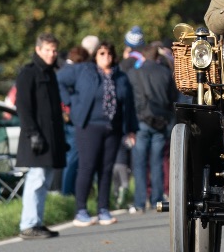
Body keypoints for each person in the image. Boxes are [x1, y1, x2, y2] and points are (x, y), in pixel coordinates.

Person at [64, 41, 138, 226]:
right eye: (102, 53)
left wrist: (130, 129)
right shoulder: (84, 71)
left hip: (112, 128)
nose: (106, 57)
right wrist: (71, 104)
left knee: (106, 169)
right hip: (89, 126)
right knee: (87, 166)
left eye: (109, 54)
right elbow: (60, 81)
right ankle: (81, 210)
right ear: (95, 56)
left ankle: (103, 209)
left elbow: (128, 105)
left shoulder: (120, 77)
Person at [15, 33, 66, 239]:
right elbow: (23, 107)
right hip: (36, 137)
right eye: (47, 50)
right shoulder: (28, 73)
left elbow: (54, 111)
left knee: (45, 180)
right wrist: (33, 134)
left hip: (50, 137)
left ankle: (37, 222)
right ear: (38, 50)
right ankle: (28, 224)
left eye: (54, 50)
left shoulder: (50, 73)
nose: (52, 54)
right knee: (36, 179)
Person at [129, 44, 177, 213]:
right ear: (157, 57)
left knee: (140, 163)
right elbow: (172, 97)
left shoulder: (136, 72)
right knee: (157, 162)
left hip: (141, 120)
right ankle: (157, 199)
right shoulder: (165, 73)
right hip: (161, 120)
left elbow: (134, 98)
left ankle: (140, 202)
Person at [56, 45, 90, 196]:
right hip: (73, 119)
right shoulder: (72, 70)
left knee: (72, 155)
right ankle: (67, 191)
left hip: (67, 119)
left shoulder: (64, 69)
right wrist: (69, 102)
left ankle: (68, 191)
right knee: (74, 156)